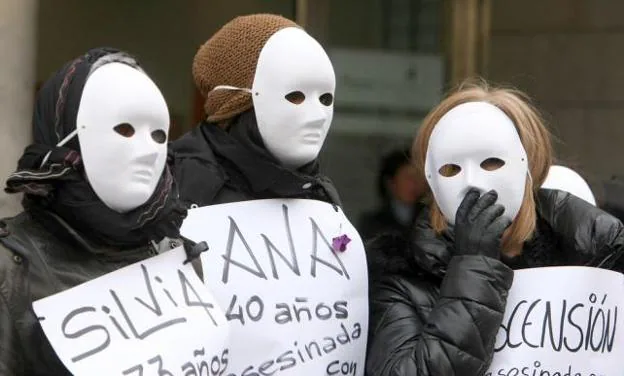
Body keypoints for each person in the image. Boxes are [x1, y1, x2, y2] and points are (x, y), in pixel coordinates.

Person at [365, 82, 624, 376]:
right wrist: (474, 269)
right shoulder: (403, 276)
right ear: (431, 179)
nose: (472, 183)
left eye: (491, 162)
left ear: (529, 163)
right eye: (452, 169)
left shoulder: (596, 252)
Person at [0, 47, 194, 375]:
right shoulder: (10, 268)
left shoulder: (177, 252)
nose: (148, 152)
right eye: (125, 130)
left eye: (159, 134)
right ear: (66, 138)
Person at [169, 14, 341, 208]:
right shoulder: (171, 190)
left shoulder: (319, 195)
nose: (318, 116)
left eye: (325, 99)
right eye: (295, 96)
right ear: (237, 104)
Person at [358, 148, 427, 242]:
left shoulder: (429, 219)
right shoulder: (371, 223)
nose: (415, 184)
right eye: (409, 177)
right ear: (390, 182)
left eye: (419, 177)